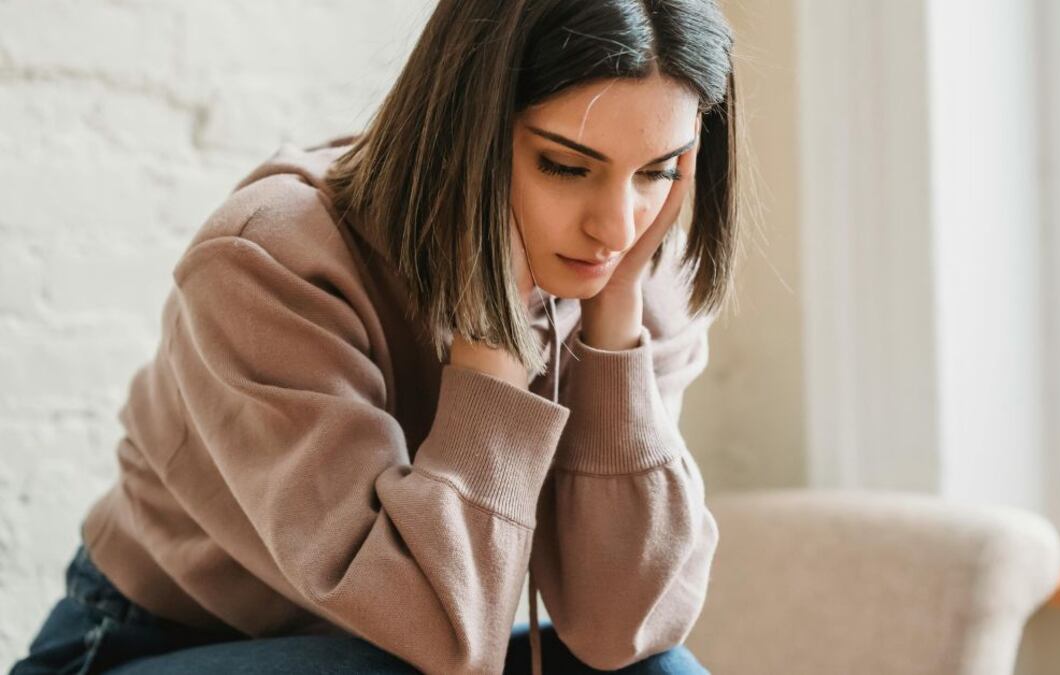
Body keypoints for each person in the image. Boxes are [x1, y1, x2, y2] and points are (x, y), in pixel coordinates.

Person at [9, 0, 742, 673]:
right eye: (564, 165)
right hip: (153, 641)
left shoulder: (638, 270)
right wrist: (492, 332)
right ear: (465, 128)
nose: (617, 227)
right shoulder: (271, 261)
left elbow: (624, 628)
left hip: (411, 642)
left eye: (658, 171)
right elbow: (439, 634)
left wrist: (615, 331)